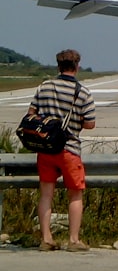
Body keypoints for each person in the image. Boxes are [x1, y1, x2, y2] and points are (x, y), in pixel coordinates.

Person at [27, 49, 96, 251]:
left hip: (45, 148)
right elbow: (90, 123)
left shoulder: (44, 87)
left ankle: (46, 238)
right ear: (77, 66)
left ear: (58, 66)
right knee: (75, 194)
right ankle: (73, 240)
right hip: (69, 148)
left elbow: (31, 113)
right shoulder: (82, 92)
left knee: (46, 194)